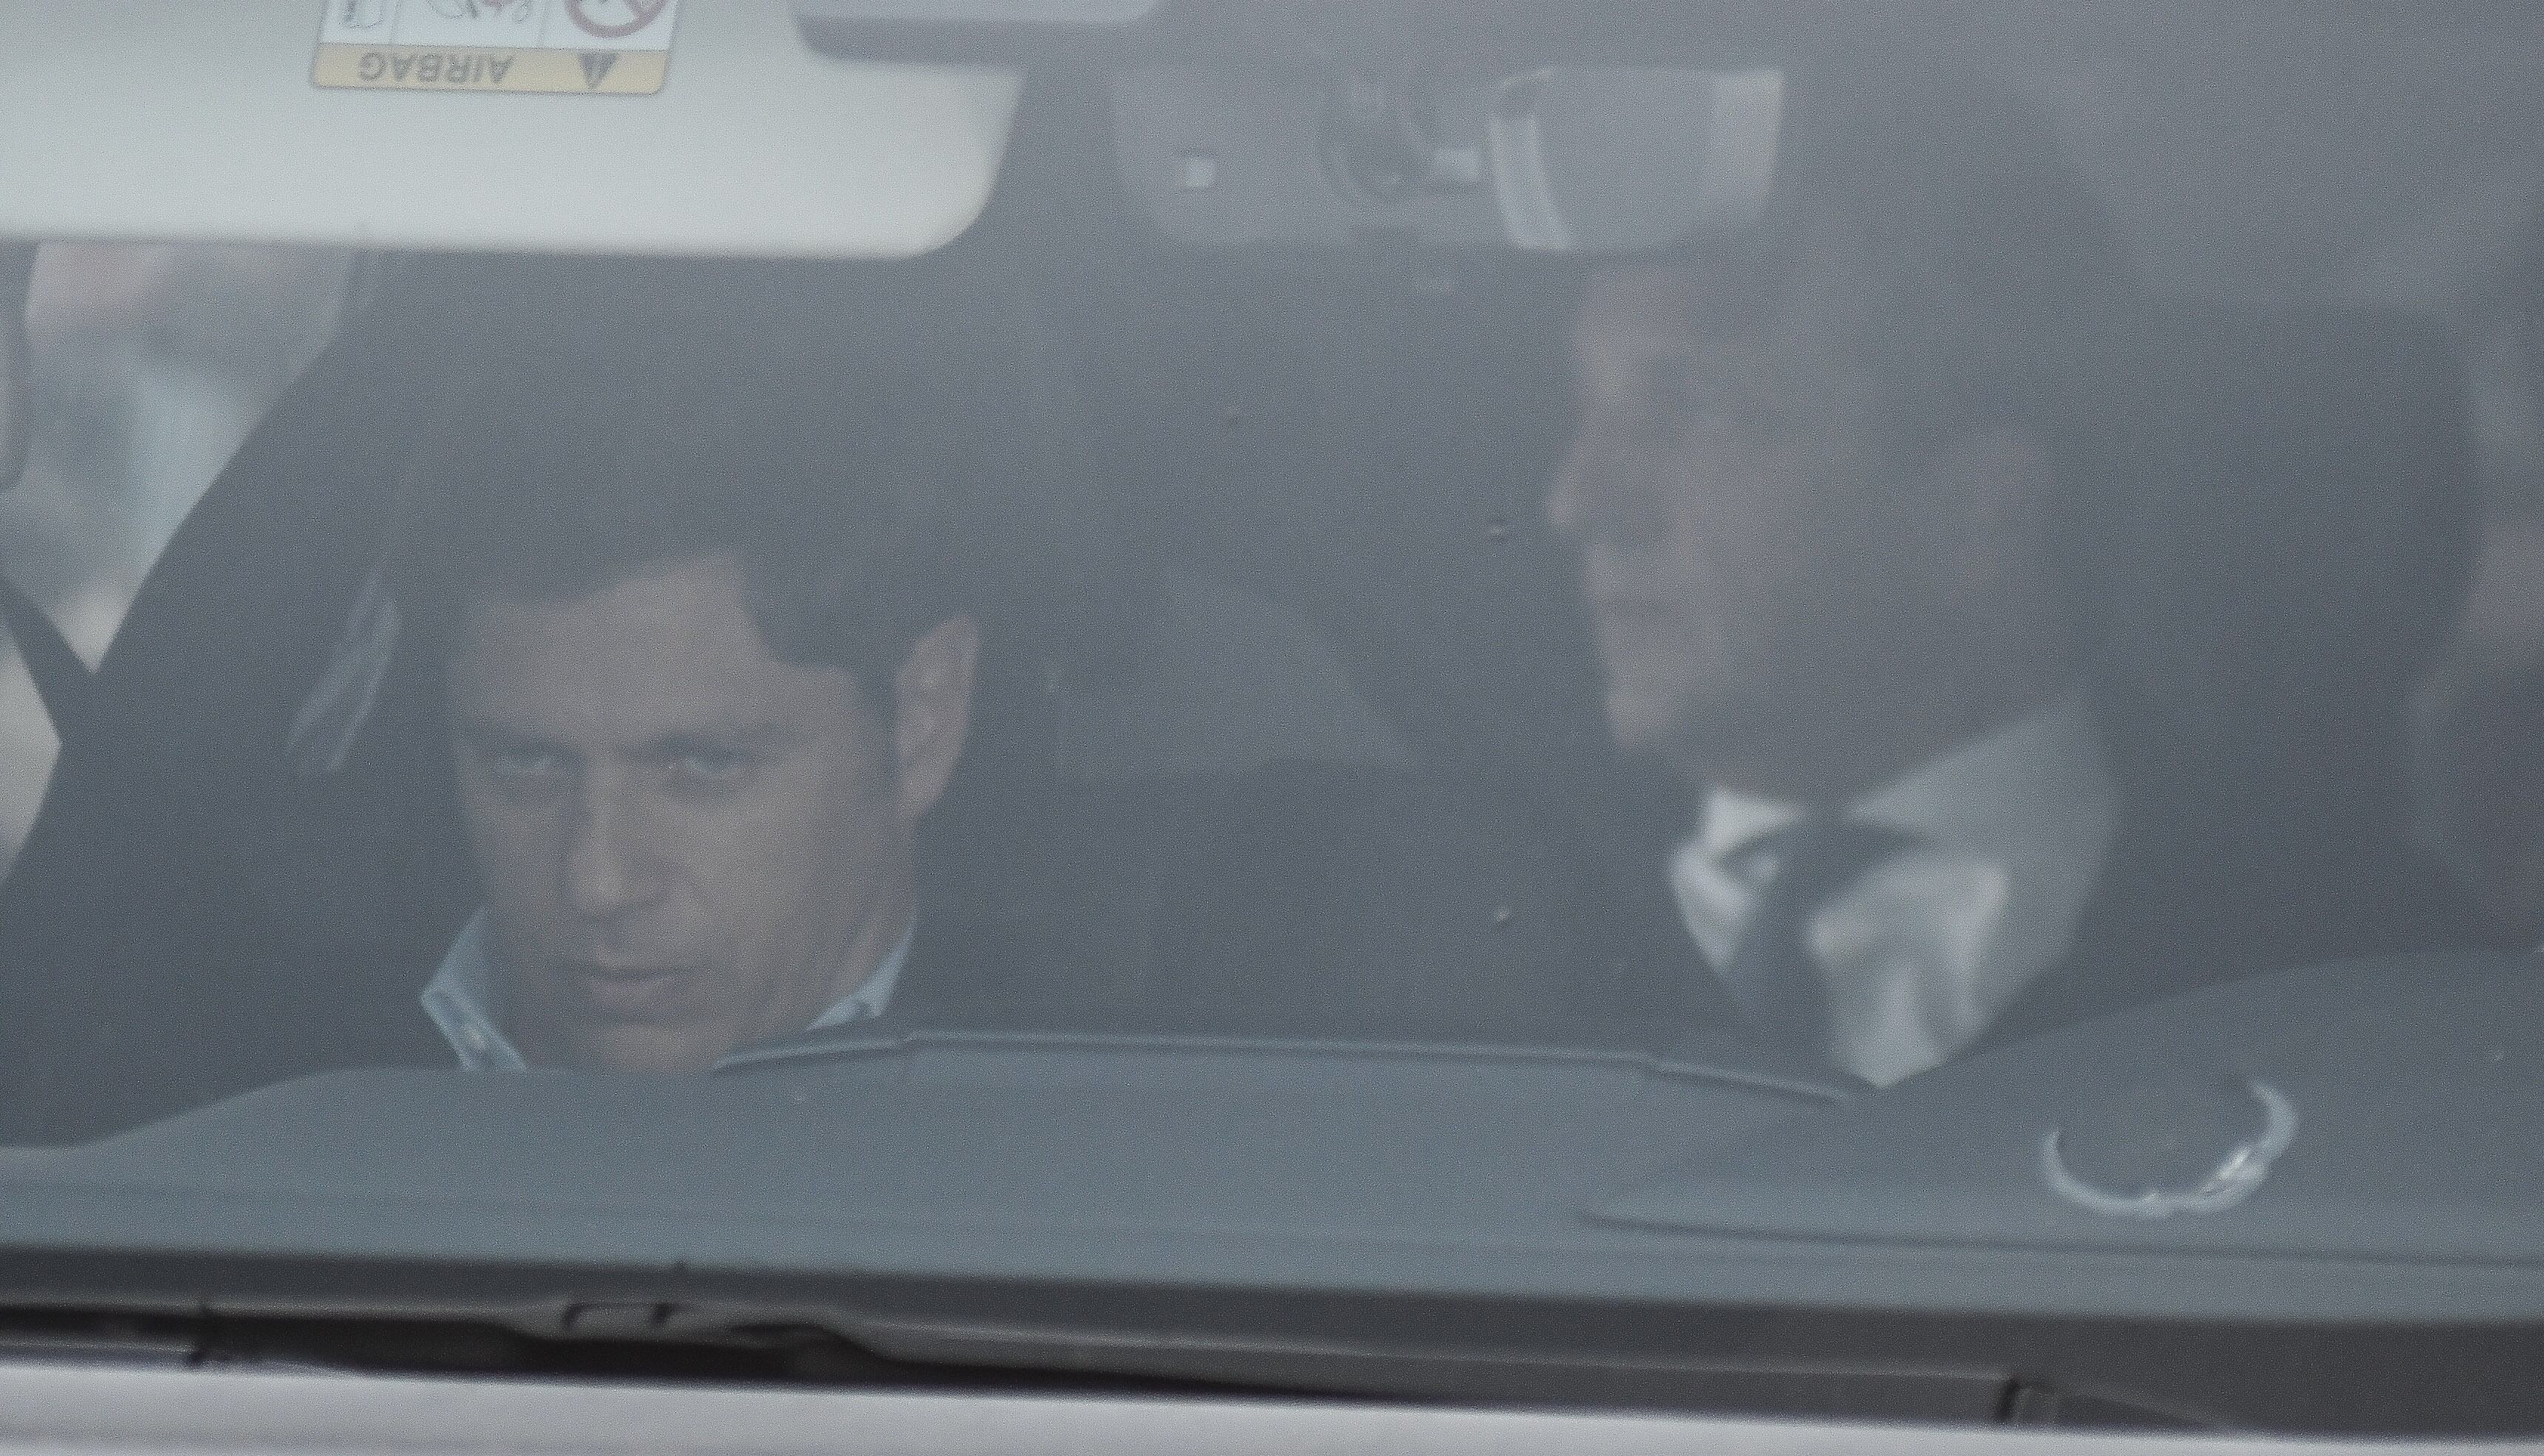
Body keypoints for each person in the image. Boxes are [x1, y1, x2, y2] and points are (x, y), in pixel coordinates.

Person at [1545, 75, 2487, 1085]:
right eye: (1585, 405)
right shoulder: (1456, 918)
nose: (1579, 500)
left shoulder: (2363, 982)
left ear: (1977, 506)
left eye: (1691, 405)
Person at [384, 341, 980, 1073]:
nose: (597, 881)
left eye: (706, 764)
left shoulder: (1104, 1124)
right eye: (526, 762)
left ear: (923, 721)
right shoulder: (274, 1096)